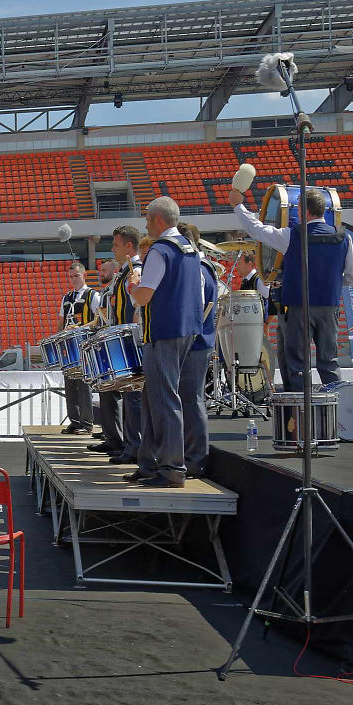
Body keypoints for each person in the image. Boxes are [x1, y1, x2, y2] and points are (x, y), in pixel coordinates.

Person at [232, 187, 353, 391]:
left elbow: (256, 229)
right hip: (329, 309)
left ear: (305, 212)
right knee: (329, 362)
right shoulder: (344, 238)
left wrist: (238, 206)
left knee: (297, 364)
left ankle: (297, 415)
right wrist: (327, 281)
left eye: (299, 209)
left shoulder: (291, 236)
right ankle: (338, 412)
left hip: (298, 308)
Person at [126, 197, 202, 488]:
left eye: (147, 218)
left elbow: (144, 296)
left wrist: (133, 285)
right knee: (155, 398)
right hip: (186, 330)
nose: (145, 224)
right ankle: (150, 464)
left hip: (165, 332)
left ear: (158, 219)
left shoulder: (160, 250)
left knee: (164, 400)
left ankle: (171, 469)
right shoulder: (189, 247)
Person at [93, 234, 142, 461]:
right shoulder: (124, 272)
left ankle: (134, 448)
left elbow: (137, 308)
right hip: (120, 336)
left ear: (128, 246)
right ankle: (121, 442)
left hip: (130, 338)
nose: (112, 249)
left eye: (115, 244)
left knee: (133, 396)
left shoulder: (136, 270)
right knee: (118, 392)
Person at [179, 225, 219, 478]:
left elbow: (196, 307)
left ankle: (196, 459)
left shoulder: (198, 270)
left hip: (196, 343)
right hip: (197, 342)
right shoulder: (202, 268)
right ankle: (191, 455)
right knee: (190, 400)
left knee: (192, 400)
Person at [58, 261, 100, 433]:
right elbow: (61, 321)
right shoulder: (66, 297)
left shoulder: (93, 295)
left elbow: (99, 320)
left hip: (85, 345)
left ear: (84, 275)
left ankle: (87, 423)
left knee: (84, 385)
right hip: (69, 346)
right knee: (70, 384)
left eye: (77, 275)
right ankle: (74, 421)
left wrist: (81, 328)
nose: (74, 279)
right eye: (71, 276)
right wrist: (59, 339)